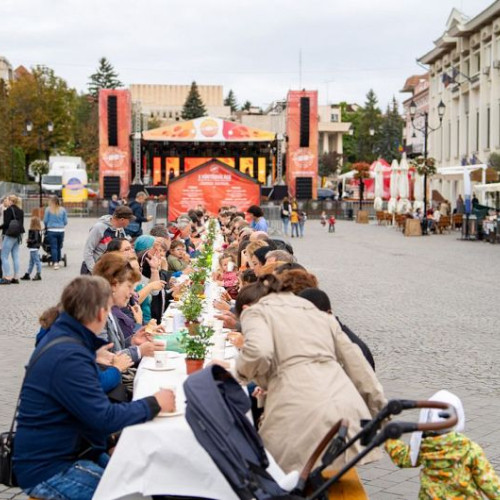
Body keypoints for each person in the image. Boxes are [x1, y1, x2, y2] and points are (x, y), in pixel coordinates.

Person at [13, 276, 175, 500]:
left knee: (141, 474)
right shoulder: (69, 355)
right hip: (49, 469)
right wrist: (155, 402)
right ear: (100, 314)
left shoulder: (68, 340)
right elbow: (103, 417)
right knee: (132, 495)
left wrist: (109, 442)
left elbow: (86, 411)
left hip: (71, 450)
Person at [235, 275, 386, 473]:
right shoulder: (319, 314)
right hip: (344, 408)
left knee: (280, 474)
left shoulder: (255, 313)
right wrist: (381, 414)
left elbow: (258, 352)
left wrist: (237, 375)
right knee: (325, 480)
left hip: (297, 412)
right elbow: (359, 367)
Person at [385, 389, 500, 500]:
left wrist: (389, 437)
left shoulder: (425, 447)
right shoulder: (469, 449)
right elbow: (490, 484)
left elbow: (403, 458)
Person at [81, 206, 134, 274]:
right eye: (129, 220)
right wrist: (95, 271)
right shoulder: (99, 228)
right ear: (122, 220)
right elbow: (88, 251)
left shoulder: (121, 229)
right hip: (96, 271)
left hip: (111, 271)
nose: (130, 222)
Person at [0, 194, 25, 285]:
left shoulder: (8, 210)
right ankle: (16, 277)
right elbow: (21, 224)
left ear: (11, 201)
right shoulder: (20, 211)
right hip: (18, 235)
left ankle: (7, 277)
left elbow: (6, 224)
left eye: (7, 199)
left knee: (4, 256)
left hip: (9, 235)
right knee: (15, 256)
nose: (6, 201)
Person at [43, 195, 68, 270]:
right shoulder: (63, 210)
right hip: (61, 230)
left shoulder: (48, 209)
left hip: (51, 230)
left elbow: (45, 221)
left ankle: (55, 263)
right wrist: (61, 224)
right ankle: (59, 258)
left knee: (53, 246)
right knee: (59, 246)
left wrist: (46, 226)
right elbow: (65, 221)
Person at [21, 216, 43, 281]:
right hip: (34, 248)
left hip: (34, 248)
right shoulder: (37, 230)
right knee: (32, 262)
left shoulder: (34, 231)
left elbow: (35, 239)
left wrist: (29, 240)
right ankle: (28, 273)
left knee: (36, 261)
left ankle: (38, 274)